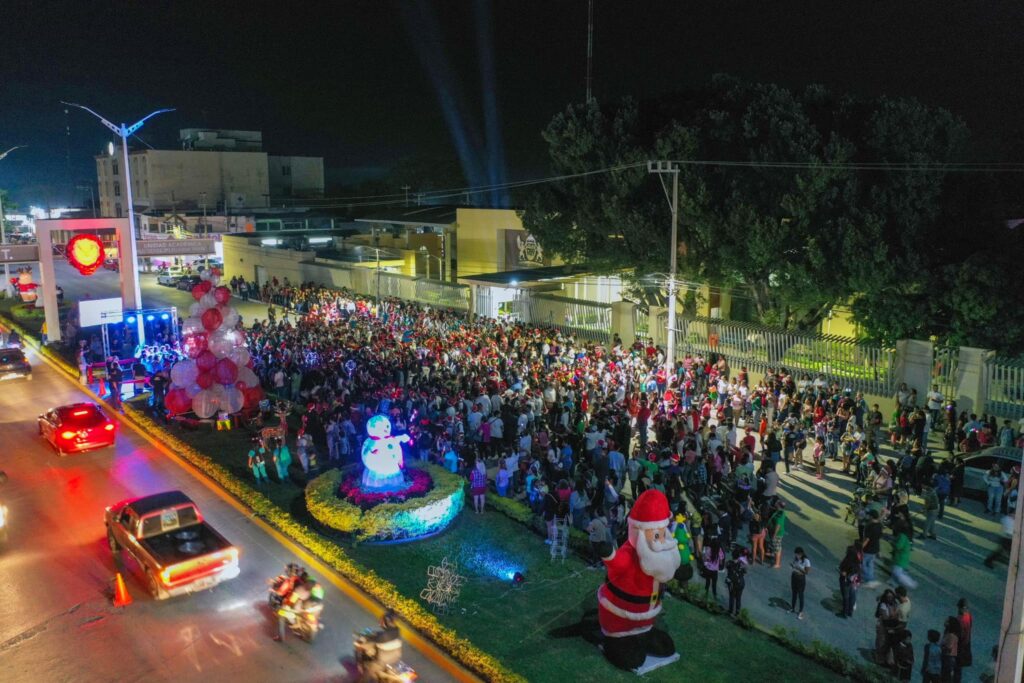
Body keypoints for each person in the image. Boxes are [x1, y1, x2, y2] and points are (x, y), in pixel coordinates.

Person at [838, 542, 861, 618]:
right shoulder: (857, 562)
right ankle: (850, 612)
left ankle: (844, 612)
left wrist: (843, 572)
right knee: (852, 596)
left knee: (846, 597)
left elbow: (843, 571)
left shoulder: (848, 562)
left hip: (846, 581)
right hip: (854, 582)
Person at [861, 509, 883, 588]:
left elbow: (867, 539)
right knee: (870, 564)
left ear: (871, 516)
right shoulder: (880, 525)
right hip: (875, 548)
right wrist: (879, 550)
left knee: (862, 563)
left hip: (868, 548)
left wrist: (860, 547)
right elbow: (878, 538)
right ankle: (870, 578)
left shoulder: (870, 526)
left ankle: (870, 579)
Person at [788, 546, 811, 619]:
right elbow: (795, 566)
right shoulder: (796, 559)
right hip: (794, 576)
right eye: (795, 554)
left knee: (800, 595)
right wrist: (793, 566)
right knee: (794, 593)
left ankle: (801, 612)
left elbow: (807, 572)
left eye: (797, 554)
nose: (796, 556)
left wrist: (799, 568)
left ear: (801, 554)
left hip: (800, 578)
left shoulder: (806, 561)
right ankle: (792, 608)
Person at [724, 548, 747, 617]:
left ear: (732, 555)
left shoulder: (729, 563)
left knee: (732, 597)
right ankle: (737, 612)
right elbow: (745, 571)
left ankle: (730, 611)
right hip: (741, 582)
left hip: (733, 583)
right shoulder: (742, 564)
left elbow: (725, 566)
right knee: (738, 598)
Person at [701, 536, 725, 600]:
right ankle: (715, 596)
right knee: (714, 584)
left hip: (708, 569)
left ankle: (705, 595)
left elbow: (705, 558)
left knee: (707, 582)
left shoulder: (708, 549)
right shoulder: (719, 550)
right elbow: (721, 562)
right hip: (715, 571)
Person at [955, 598, 973, 682]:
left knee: (956, 667)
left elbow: (959, 634)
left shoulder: (960, 619)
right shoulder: (969, 616)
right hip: (966, 645)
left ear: (963, 608)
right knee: (959, 668)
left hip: (959, 645)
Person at [941, 616, 960, 683]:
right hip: (947, 658)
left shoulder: (951, 636)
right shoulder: (947, 632)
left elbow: (948, 648)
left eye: (946, 621)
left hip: (948, 659)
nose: (944, 622)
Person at [768, 500, 787, 568]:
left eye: (777, 503)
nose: (775, 503)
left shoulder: (780, 515)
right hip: (777, 533)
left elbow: (778, 526)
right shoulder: (781, 511)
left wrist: (774, 535)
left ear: (779, 505)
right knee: (777, 547)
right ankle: (773, 555)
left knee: (777, 548)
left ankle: (777, 564)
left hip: (777, 534)